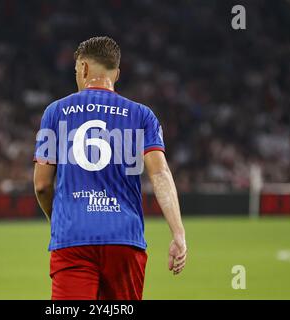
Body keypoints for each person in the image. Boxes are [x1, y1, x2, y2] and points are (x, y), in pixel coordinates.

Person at [33, 36, 187, 300]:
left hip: (73, 238)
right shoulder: (142, 115)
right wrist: (178, 233)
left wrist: (57, 220)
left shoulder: (55, 112)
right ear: (116, 73)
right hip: (124, 238)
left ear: (82, 68)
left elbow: (42, 184)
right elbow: (160, 173)